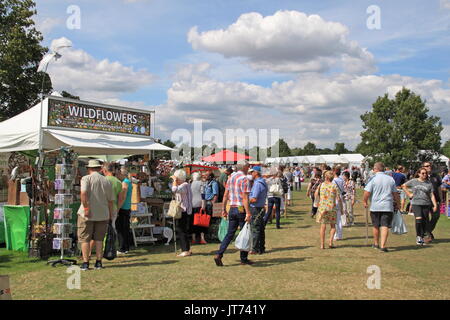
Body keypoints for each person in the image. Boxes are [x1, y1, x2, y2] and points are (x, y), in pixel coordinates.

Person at [77, 160, 113, 271]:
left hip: (87, 214)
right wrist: (110, 214)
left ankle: (85, 262)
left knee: (85, 239)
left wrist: (86, 208)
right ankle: (98, 262)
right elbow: (110, 200)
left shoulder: (86, 178)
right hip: (102, 213)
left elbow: (83, 193)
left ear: (89, 169)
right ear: (99, 168)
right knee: (99, 239)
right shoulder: (106, 181)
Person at [214, 161, 252, 266]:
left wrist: (223, 209)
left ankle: (219, 254)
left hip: (232, 207)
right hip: (241, 209)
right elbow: (245, 198)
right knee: (244, 233)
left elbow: (225, 195)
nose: (248, 168)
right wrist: (248, 213)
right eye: (248, 166)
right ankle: (243, 258)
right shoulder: (244, 179)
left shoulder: (231, 178)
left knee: (229, 234)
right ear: (244, 167)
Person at [363, 162, 400, 252]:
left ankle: (376, 243)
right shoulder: (390, 179)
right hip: (387, 206)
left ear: (376, 169)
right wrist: (398, 204)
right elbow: (395, 194)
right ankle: (383, 245)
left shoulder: (373, 179)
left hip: (375, 206)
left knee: (376, 225)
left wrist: (365, 201)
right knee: (385, 225)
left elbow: (367, 192)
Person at [403, 168, 438, 245]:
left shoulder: (429, 183)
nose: (424, 175)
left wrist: (435, 205)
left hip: (426, 204)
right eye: (422, 173)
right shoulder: (414, 181)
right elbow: (404, 185)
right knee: (419, 219)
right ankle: (418, 237)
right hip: (416, 203)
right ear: (418, 174)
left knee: (424, 221)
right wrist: (409, 194)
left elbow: (432, 195)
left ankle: (422, 237)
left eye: (425, 173)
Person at [315, 170, 343, 249]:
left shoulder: (321, 185)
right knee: (333, 226)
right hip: (331, 207)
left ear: (326, 177)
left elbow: (316, 194)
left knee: (323, 226)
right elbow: (339, 198)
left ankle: (322, 244)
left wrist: (317, 202)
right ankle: (330, 242)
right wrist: (341, 208)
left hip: (322, 208)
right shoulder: (334, 186)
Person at [171, 169, 193, 257]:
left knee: (181, 230)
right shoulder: (185, 185)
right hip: (185, 210)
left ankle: (185, 250)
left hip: (184, 210)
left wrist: (174, 181)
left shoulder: (184, 185)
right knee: (183, 230)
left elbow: (174, 190)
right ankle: (186, 249)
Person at [248, 166, 268, 255]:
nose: (251, 174)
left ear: (256, 173)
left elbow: (254, 199)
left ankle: (255, 248)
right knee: (260, 228)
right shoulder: (263, 182)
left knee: (255, 228)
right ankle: (261, 248)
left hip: (255, 208)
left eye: (252, 172)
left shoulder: (257, 184)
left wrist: (245, 200)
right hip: (260, 207)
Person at [422, 162, 443, 240]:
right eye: (427, 166)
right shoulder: (421, 176)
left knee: (436, 216)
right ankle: (427, 234)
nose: (429, 167)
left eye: (430, 165)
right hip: (425, 200)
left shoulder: (436, 176)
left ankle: (427, 231)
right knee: (425, 218)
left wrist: (441, 199)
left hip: (436, 200)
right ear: (423, 167)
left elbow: (439, 188)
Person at [116, 167, 133, 255]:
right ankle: (125, 247)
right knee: (125, 228)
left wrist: (118, 208)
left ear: (122, 174)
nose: (117, 175)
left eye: (118, 174)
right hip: (127, 207)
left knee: (121, 229)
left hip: (123, 208)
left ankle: (122, 248)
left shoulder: (125, 183)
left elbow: (122, 197)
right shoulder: (128, 182)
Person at [102, 163, 123, 229]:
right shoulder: (118, 182)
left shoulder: (103, 180)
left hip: (103, 208)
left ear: (105, 171)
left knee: (102, 229)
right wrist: (117, 210)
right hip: (114, 208)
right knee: (112, 228)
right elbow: (120, 199)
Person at [201, 171, 219, 243]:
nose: (205, 176)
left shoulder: (214, 183)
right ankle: (208, 236)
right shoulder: (206, 183)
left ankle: (212, 236)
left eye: (206, 175)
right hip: (206, 203)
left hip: (210, 203)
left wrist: (213, 204)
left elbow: (215, 194)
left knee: (211, 220)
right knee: (207, 220)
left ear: (210, 176)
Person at [190, 172, 205, 244]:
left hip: (192, 204)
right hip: (199, 203)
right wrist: (203, 205)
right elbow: (203, 194)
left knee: (193, 222)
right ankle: (202, 238)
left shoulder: (190, 184)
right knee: (201, 222)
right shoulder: (201, 183)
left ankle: (193, 238)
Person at [332, 167, 345, 240]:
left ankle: (336, 235)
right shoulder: (341, 180)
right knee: (339, 219)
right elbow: (342, 190)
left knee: (335, 219)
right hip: (340, 198)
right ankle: (339, 235)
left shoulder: (333, 181)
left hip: (335, 199)